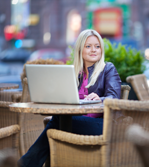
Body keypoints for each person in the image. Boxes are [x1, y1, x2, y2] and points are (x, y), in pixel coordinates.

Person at [18, 29, 121, 167]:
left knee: (58, 120)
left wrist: (100, 98)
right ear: (80, 49)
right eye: (88, 46)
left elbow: (114, 98)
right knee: (58, 120)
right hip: (79, 121)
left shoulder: (108, 69)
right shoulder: (75, 73)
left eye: (97, 46)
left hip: (104, 125)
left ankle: (26, 164)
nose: (94, 50)